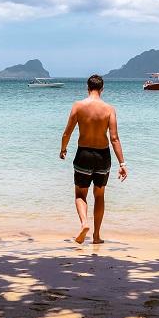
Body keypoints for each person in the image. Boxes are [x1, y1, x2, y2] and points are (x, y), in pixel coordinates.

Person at [60, 74, 127, 243]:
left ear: (87, 87)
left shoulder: (78, 106)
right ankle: (96, 236)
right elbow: (114, 138)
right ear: (102, 89)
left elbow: (67, 132)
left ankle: (84, 224)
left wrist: (63, 149)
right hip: (103, 156)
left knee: (80, 195)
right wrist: (122, 163)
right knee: (99, 195)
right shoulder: (109, 109)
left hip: (84, 154)